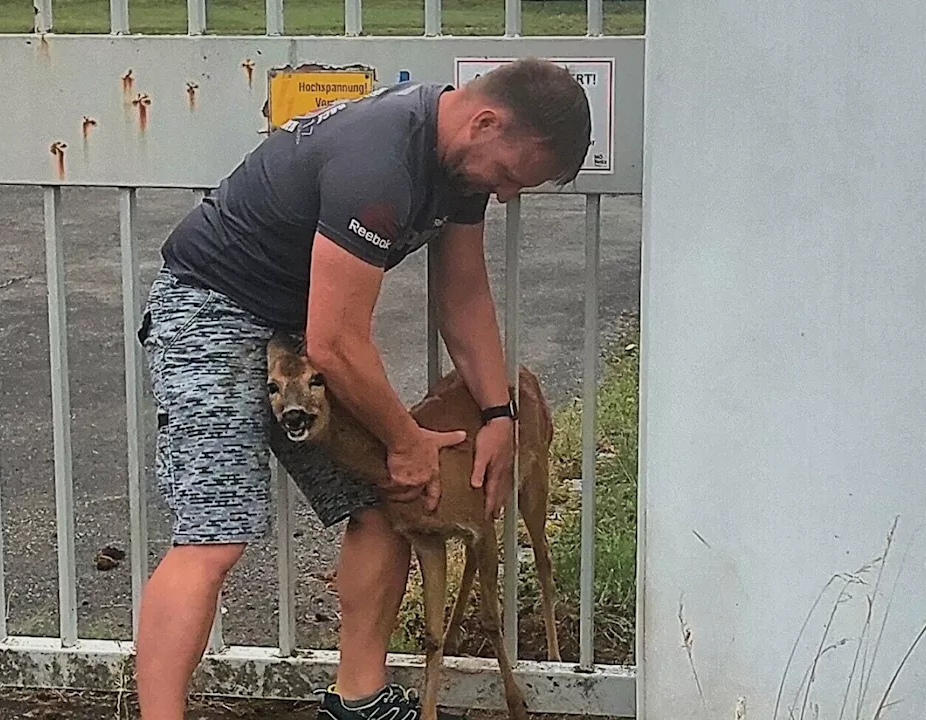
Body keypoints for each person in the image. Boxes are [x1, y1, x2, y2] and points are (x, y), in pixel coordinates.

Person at [133, 57, 592, 720]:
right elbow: (337, 342)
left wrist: (499, 413)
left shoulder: (457, 161)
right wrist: (405, 439)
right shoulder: (380, 162)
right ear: (486, 122)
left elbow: (462, 295)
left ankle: (358, 700)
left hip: (296, 325)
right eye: (512, 175)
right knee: (215, 534)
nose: (507, 194)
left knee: (390, 502)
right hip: (211, 310)